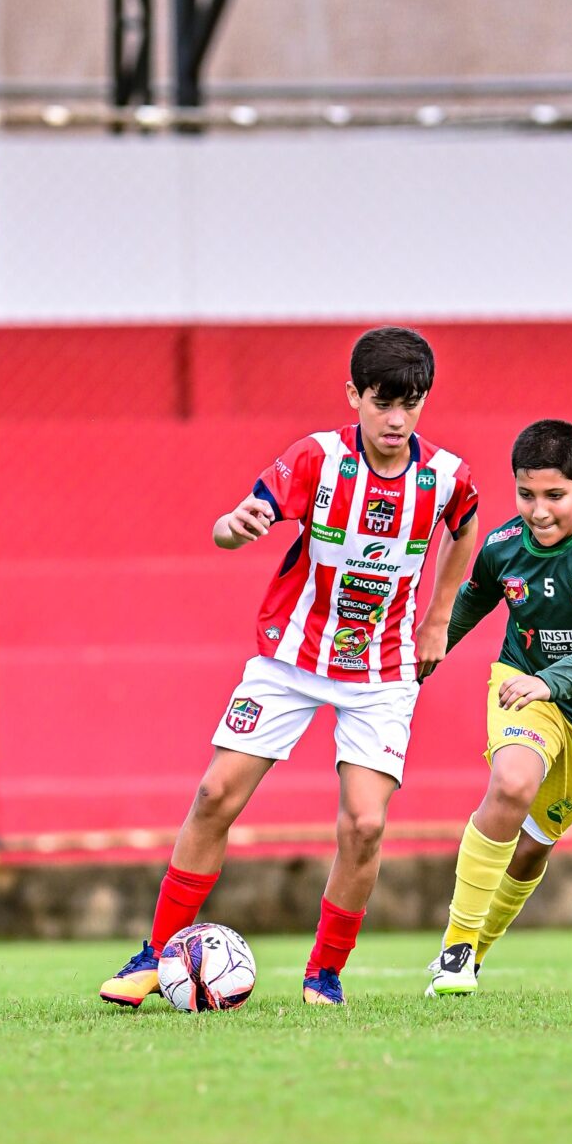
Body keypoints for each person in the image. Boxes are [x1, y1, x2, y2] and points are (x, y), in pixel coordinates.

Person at [99, 325, 479, 1008]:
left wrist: (438, 616)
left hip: (382, 671)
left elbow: (466, 523)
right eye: (382, 401)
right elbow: (232, 525)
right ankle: (154, 955)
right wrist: (232, 524)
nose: (396, 419)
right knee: (215, 795)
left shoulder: (445, 476)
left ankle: (323, 974)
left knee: (364, 824)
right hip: (289, 658)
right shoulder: (317, 460)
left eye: (411, 403)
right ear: (353, 396)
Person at [425, 418, 572, 996]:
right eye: (526, 494)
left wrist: (554, 683)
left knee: (531, 851)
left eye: (555, 495)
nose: (539, 510)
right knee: (511, 784)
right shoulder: (501, 548)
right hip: (522, 684)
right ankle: (454, 949)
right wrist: (408, 670)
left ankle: (475, 954)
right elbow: (457, 616)